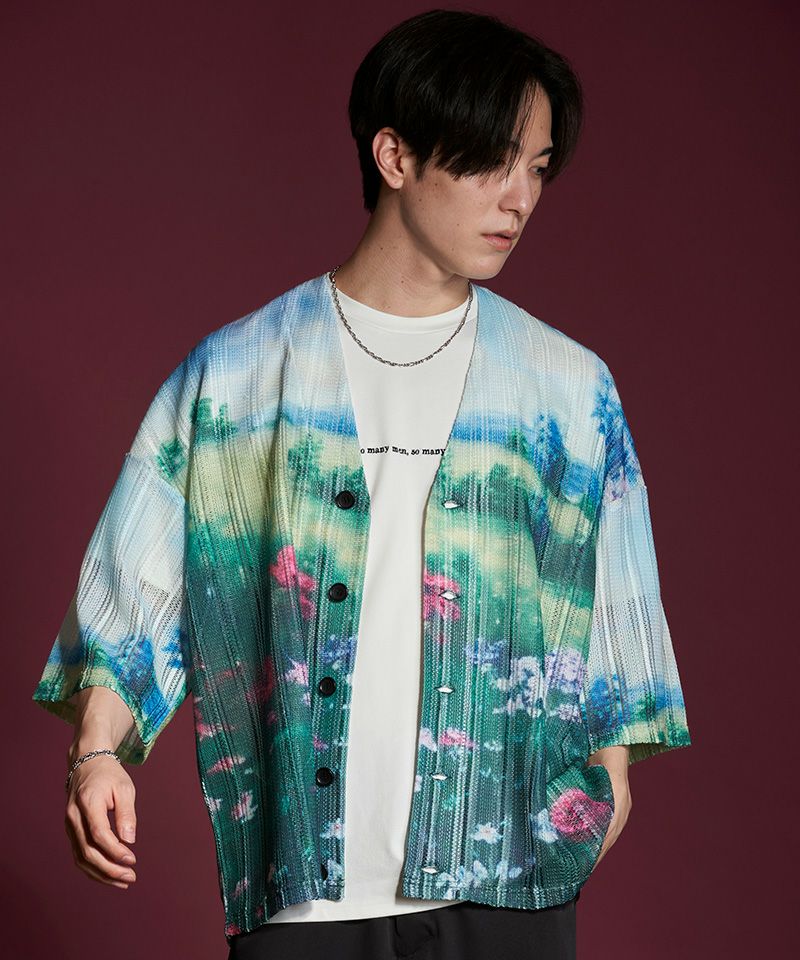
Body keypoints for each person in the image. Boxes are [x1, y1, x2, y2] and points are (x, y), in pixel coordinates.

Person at [32, 8, 691, 959]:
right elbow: (141, 580)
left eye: (539, 168)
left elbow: (616, 623)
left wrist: (607, 785)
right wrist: (97, 751)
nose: (520, 199)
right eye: (492, 162)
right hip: (304, 888)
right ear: (394, 156)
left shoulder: (567, 386)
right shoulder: (242, 375)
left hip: (511, 885)